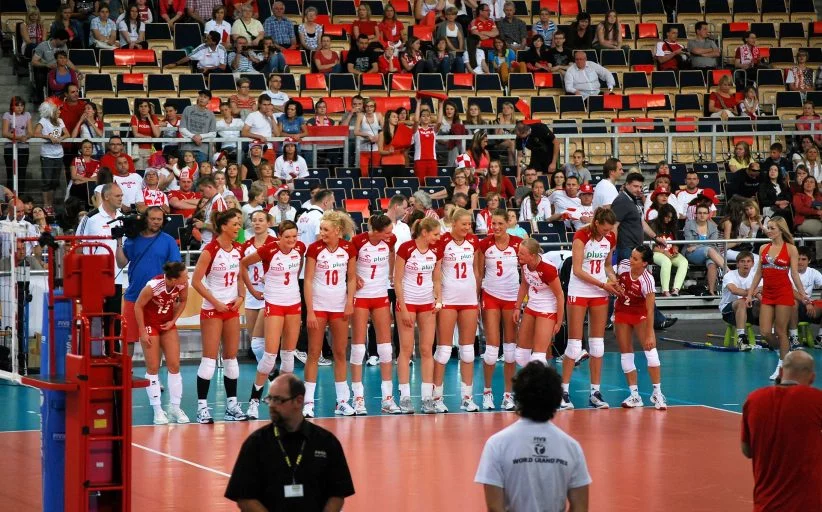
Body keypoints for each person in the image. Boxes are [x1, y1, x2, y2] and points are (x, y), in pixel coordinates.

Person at [225, 373, 356, 511]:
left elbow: (337, 494)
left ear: (299, 401)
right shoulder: (255, 444)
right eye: (270, 399)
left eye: (278, 400)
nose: (272, 405)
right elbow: (244, 497)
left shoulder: (326, 442)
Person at [475, 361, 590, 511]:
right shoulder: (571, 447)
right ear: (556, 399)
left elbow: (494, 507)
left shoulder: (497, 444)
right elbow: (580, 507)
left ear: (518, 397)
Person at [741, 350, 822, 512]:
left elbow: (747, 450)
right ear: (812, 378)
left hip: (766, 504)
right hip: (808, 505)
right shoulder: (817, 400)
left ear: (780, 371)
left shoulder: (754, 399)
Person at [241, 219, 306, 420]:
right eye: (287, 237)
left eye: (294, 236)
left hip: (294, 303)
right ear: (279, 236)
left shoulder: (300, 248)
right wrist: (253, 290)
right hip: (274, 303)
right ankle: (253, 402)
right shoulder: (269, 250)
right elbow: (243, 264)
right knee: (269, 356)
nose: (292, 240)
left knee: (288, 356)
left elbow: (297, 269)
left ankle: (284, 401)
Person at [191, 209, 247, 424]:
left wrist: (241, 297)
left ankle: (232, 405)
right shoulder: (210, 250)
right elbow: (196, 281)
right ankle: (202, 408)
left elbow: (240, 277)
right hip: (213, 310)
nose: (238, 228)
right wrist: (215, 302)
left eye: (239, 224)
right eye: (235, 224)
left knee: (231, 358)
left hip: (231, 309)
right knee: (209, 359)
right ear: (224, 227)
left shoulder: (238, 249)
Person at [560, 208, 617, 410]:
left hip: (599, 293)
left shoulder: (610, 238)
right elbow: (577, 270)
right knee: (574, 345)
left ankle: (595, 392)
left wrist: (615, 281)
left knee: (598, 345)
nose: (607, 232)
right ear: (596, 222)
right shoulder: (581, 235)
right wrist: (603, 285)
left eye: (610, 230)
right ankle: (563, 392)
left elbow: (607, 266)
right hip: (580, 291)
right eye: (604, 229)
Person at [303, 211, 358, 418]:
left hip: (339, 306)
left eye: (326, 229)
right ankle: (308, 403)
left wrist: (350, 301)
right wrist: (310, 310)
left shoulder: (348, 248)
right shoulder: (314, 248)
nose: (322, 233)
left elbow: (351, 278)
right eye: (321, 229)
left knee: (340, 352)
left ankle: (342, 401)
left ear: (337, 230)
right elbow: (308, 280)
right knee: (314, 353)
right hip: (318, 306)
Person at [746, 217, 810, 380]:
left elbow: (794, 274)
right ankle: (783, 353)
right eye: (768, 228)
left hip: (783, 292)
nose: (768, 231)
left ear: (781, 230)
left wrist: (802, 293)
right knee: (765, 332)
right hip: (768, 293)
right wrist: (750, 293)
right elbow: (758, 273)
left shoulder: (791, 249)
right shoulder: (763, 248)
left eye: (772, 228)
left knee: (781, 331)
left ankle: (781, 365)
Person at [432, 208, 481, 412]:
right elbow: (436, 271)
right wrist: (438, 298)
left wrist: (476, 296)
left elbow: (476, 270)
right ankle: (436, 397)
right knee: (444, 351)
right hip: (448, 300)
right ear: (453, 224)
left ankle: (467, 398)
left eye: (469, 224)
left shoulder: (473, 241)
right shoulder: (443, 241)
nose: (467, 227)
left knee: (468, 351)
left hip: (468, 299)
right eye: (464, 224)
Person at [350, 215, 400, 414]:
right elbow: (348, 264)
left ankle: (387, 398)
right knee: (358, 349)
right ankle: (358, 398)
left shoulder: (391, 240)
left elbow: (392, 252)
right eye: (386, 232)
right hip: (361, 296)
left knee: (386, 349)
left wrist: (391, 274)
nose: (390, 235)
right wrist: (354, 276)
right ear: (376, 231)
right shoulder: (358, 241)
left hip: (380, 295)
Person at [613, 172, 676, 327]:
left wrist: (656, 237)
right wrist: (612, 248)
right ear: (626, 185)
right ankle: (656, 320)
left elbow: (641, 222)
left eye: (640, 187)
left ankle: (647, 319)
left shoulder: (632, 200)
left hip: (633, 249)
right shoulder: (622, 201)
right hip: (626, 249)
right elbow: (614, 225)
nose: (638, 189)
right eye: (635, 186)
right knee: (637, 285)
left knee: (635, 285)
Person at [116, 205, 182, 346]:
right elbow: (121, 263)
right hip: (134, 295)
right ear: (145, 219)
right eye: (153, 219)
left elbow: (176, 267)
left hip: (159, 299)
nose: (156, 222)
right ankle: (127, 363)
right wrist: (119, 242)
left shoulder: (169, 240)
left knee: (159, 338)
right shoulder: (132, 240)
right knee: (128, 340)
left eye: (159, 219)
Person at [395, 218, 443, 413]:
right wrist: (403, 308)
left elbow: (437, 279)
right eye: (435, 234)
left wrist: (438, 299)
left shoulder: (436, 250)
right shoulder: (406, 248)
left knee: (426, 349)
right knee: (406, 349)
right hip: (408, 302)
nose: (438, 237)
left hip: (427, 304)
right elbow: (397, 280)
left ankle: (427, 398)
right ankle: (405, 397)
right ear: (424, 232)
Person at [133, 261, 189, 424]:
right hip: (150, 325)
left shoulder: (182, 285)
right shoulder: (153, 286)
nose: (187, 278)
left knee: (174, 365)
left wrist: (173, 321)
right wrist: (142, 331)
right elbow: (138, 306)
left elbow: (183, 301)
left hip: (166, 324)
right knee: (153, 367)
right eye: (185, 275)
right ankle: (157, 410)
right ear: (173, 279)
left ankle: (175, 407)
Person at [477, 209, 521, 410]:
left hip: (511, 298)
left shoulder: (518, 244)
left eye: (500, 224)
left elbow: (527, 272)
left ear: (508, 224)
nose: (495, 227)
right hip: (491, 297)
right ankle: (487, 393)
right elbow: (479, 274)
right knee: (492, 349)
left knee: (510, 351)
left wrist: (522, 301)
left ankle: (508, 395)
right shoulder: (484, 244)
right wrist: (476, 299)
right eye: (493, 223)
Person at [614, 245, 667, 410]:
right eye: (631, 256)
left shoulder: (647, 280)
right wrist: (614, 285)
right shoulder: (623, 266)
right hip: (622, 311)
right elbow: (611, 275)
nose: (631, 260)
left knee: (651, 353)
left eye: (635, 259)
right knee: (626, 353)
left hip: (640, 314)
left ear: (644, 263)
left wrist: (650, 334)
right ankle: (634, 395)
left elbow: (650, 310)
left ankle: (657, 393)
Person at [34, 100, 69, 212]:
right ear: (51, 111)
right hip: (47, 155)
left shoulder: (60, 121)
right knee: (47, 180)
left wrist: (60, 138)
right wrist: (49, 137)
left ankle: (51, 204)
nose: (59, 112)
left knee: (54, 181)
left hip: (59, 154)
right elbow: (36, 133)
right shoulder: (44, 120)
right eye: (57, 110)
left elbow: (67, 134)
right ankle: (46, 205)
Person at [720, 250, 759, 349]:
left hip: (749, 307)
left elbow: (763, 289)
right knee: (742, 301)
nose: (746, 264)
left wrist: (754, 291)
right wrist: (752, 291)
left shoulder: (756, 275)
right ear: (737, 264)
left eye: (748, 261)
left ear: (752, 264)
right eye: (742, 261)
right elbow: (734, 290)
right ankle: (741, 338)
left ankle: (771, 335)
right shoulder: (729, 275)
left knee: (765, 302)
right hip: (729, 310)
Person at [789, 246, 822, 350]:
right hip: (790, 307)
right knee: (793, 302)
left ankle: (820, 337)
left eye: (803, 259)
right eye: (797, 259)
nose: (800, 262)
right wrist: (806, 302)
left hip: (808, 308)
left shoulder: (813, 272)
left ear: (809, 261)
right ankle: (794, 338)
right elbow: (790, 291)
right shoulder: (788, 272)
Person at [3, 97, 33, 191]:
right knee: (11, 173)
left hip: (23, 148)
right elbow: (4, 133)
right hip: (10, 148)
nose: (20, 108)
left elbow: (30, 132)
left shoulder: (27, 115)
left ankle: (20, 196)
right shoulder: (7, 115)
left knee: (22, 173)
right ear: (12, 106)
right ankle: (10, 197)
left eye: (22, 105)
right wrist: (19, 137)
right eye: (17, 105)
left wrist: (26, 136)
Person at [179, 90, 217, 163]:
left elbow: (213, 133)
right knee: (185, 169)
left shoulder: (211, 114)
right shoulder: (188, 109)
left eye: (205, 97)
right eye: (200, 96)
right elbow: (182, 128)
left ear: (209, 101)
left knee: (202, 169)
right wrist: (193, 136)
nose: (202, 98)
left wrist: (200, 136)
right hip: (187, 148)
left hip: (202, 150)